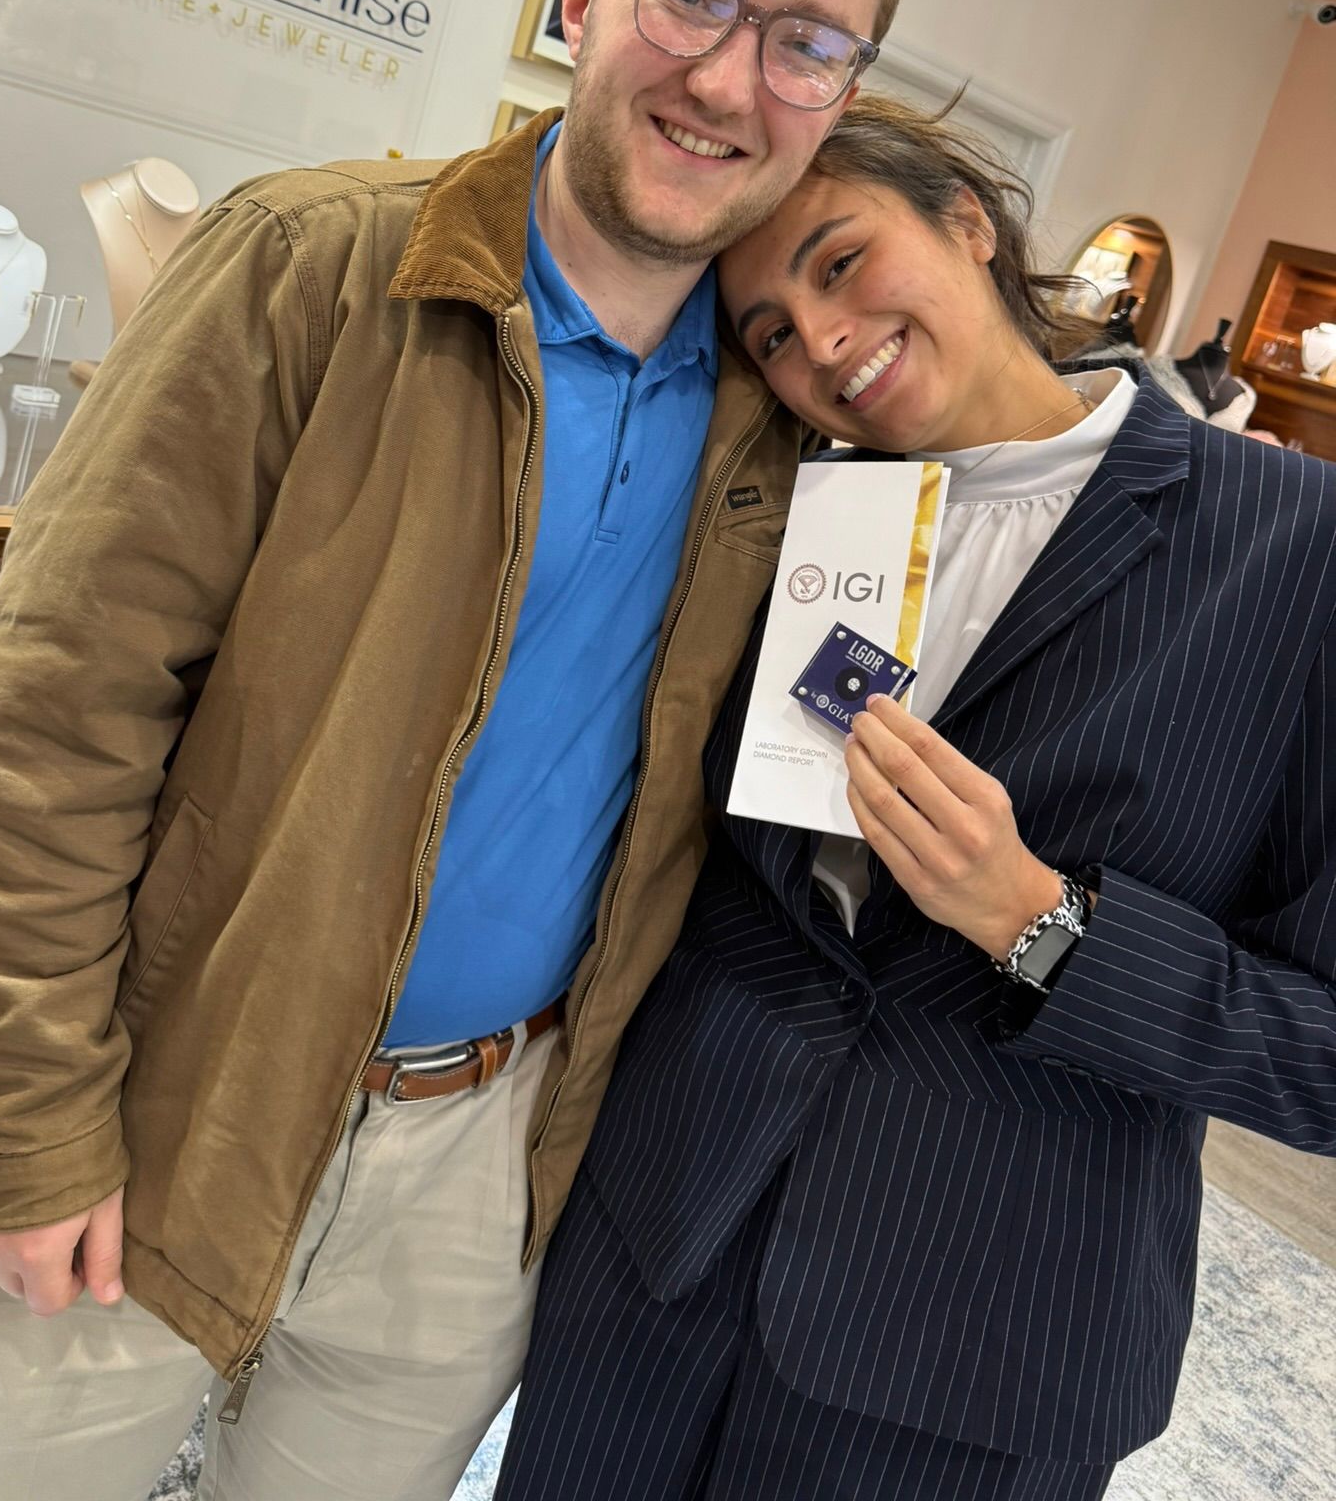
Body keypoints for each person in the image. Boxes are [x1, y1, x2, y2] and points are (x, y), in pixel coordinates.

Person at [0, 0, 909, 1501]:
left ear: (842, 97)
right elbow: (50, 716)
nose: (731, 83)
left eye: (804, 45)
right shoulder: (312, 269)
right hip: (169, 1094)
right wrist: (18, 1121)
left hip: (475, 1165)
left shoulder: (785, 428)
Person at [494, 93, 1336, 1501]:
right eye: (768, 330)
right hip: (657, 1253)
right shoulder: (783, 511)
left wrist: (1041, 924)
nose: (819, 343)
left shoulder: (1293, 555)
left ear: (966, 221)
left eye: (838, 263)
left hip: (973, 1347)